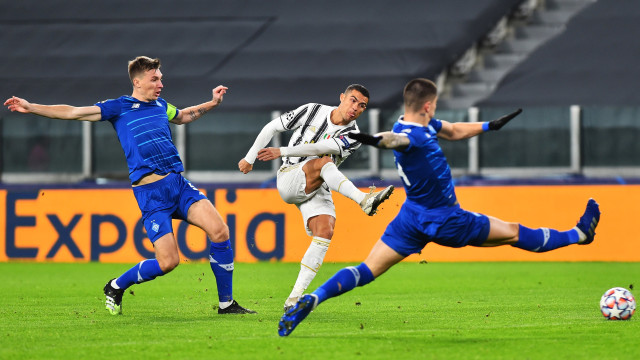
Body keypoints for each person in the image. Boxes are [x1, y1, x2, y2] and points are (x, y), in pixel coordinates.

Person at [277, 78, 601, 336]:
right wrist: (372, 139)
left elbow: (455, 130)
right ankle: (579, 235)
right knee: (515, 233)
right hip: (447, 220)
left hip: (410, 219)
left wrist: (489, 126)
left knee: (366, 271)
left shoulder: (418, 123)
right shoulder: (409, 136)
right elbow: (394, 140)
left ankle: (312, 299)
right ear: (429, 105)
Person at [4, 56, 256, 315]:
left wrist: (213, 103)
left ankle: (226, 304)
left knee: (220, 231)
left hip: (178, 185)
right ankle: (116, 285)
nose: (160, 83)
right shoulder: (119, 107)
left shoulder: (161, 105)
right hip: (151, 195)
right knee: (169, 262)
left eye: (161, 78)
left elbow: (182, 116)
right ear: (137, 82)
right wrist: (31, 106)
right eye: (154, 79)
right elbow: (73, 112)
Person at [238, 84, 394, 312]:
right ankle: (363, 200)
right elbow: (272, 127)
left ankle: (293, 299)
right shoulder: (312, 110)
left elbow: (319, 147)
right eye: (352, 100)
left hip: (318, 182)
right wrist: (250, 157)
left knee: (325, 230)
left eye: (362, 106)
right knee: (324, 162)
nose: (356, 108)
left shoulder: (354, 136)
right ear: (341, 97)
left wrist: (281, 150)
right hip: (290, 177)